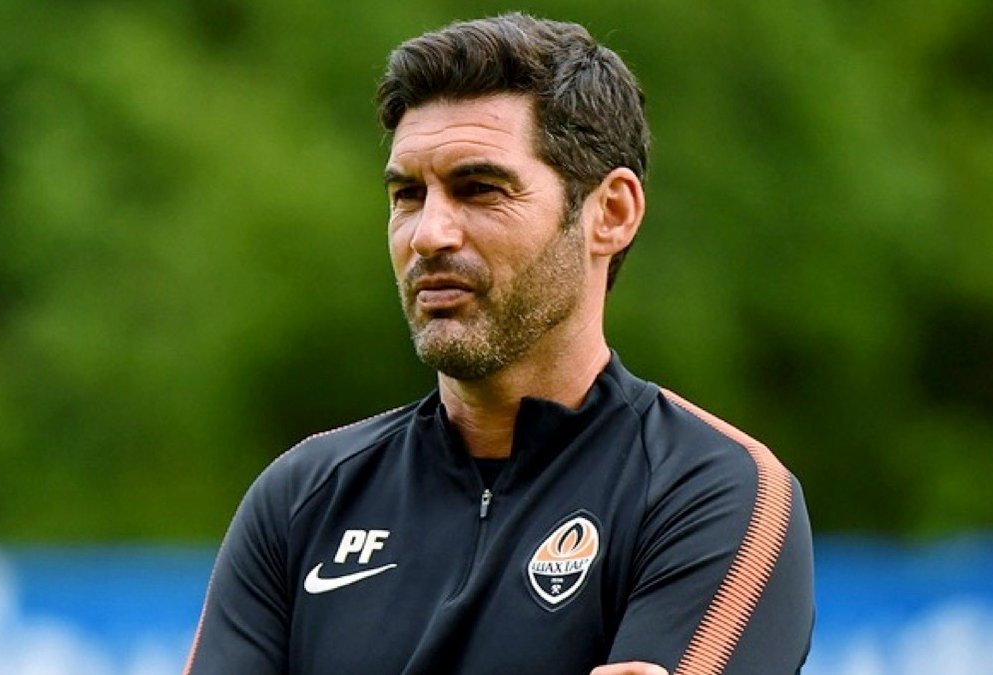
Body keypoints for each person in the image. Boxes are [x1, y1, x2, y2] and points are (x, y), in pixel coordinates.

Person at [184, 13, 813, 675]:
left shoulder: (711, 491)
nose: (429, 234)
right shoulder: (303, 497)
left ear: (611, 213)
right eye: (407, 195)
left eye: (479, 189)